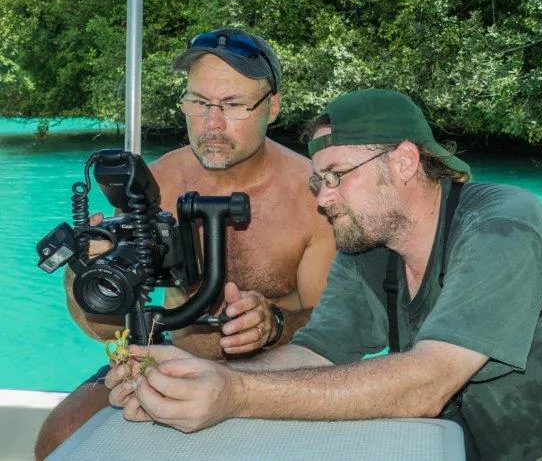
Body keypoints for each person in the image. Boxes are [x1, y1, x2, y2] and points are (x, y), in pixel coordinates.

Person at [108, 89, 542, 460]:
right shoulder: (368, 246)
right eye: (318, 182)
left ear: (405, 162)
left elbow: (425, 382)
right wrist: (181, 372)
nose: (324, 200)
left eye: (337, 177)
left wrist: (236, 393)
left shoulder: (505, 227)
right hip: (437, 442)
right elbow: (315, 355)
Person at [34, 28, 336, 460]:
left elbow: (336, 329)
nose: (212, 124)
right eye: (198, 103)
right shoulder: (155, 185)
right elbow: (104, 328)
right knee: (58, 438)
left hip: (278, 373)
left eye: (232, 105)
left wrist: (273, 324)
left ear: (272, 107)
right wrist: (84, 276)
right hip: (169, 358)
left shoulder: (313, 198)